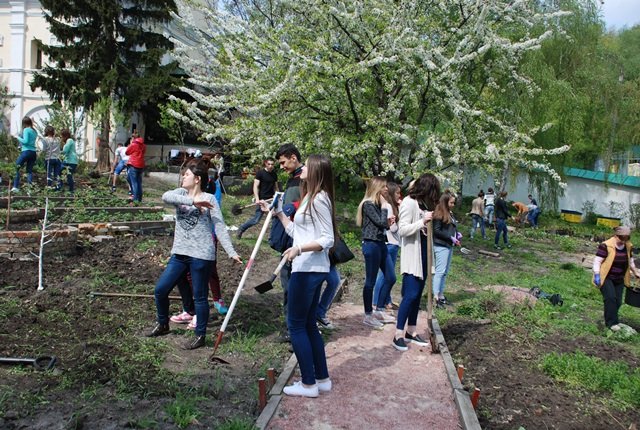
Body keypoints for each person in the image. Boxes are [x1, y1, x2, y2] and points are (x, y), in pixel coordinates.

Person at [147, 160, 242, 350]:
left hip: (201, 255)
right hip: (180, 253)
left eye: (187, 175)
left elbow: (220, 226)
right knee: (160, 290)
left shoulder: (210, 199)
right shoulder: (180, 194)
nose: (183, 177)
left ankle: (200, 335)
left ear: (197, 179)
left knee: (200, 297)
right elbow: (165, 196)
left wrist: (231, 252)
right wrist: (193, 201)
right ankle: (163, 323)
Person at [265, 154, 336, 398]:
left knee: (295, 325)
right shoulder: (310, 198)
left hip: (308, 270)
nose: (303, 167)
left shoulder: (319, 199)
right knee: (307, 324)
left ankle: (308, 384)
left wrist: (299, 250)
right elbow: (298, 232)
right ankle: (321, 378)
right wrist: (279, 215)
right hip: (308, 268)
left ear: (316, 170)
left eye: (307, 164)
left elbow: (328, 239)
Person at [392, 173, 441, 352]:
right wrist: (422, 221)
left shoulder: (421, 204)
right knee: (410, 295)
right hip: (413, 258)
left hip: (423, 257)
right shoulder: (408, 202)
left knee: (417, 295)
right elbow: (402, 230)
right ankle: (398, 334)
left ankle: (411, 331)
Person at [272, 144, 304, 342]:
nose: (282, 166)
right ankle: (292, 328)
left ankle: (296, 331)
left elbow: (300, 208)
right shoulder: (293, 181)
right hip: (290, 239)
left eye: (283, 162)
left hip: (298, 242)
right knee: (288, 287)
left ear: (293, 157)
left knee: (294, 288)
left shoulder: (304, 181)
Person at [356, 176, 394, 328]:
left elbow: (383, 225)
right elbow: (379, 222)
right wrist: (385, 207)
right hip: (371, 245)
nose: (386, 189)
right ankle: (368, 314)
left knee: (391, 277)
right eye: (384, 186)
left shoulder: (377, 205)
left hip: (381, 244)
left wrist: (388, 222)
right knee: (370, 282)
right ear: (377, 188)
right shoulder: (368, 204)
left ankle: (379, 309)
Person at [592, 226, 640, 331]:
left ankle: (609, 318)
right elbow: (597, 261)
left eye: (627, 238)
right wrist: (596, 274)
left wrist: (635, 272)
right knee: (610, 298)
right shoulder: (606, 245)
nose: (624, 240)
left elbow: (630, 260)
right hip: (606, 277)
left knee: (618, 301)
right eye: (622, 238)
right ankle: (611, 324)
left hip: (620, 278)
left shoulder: (628, 246)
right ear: (616, 235)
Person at [373, 182, 402, 313]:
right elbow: (393, 228)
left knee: (387, 275)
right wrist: (400, 217)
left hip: (393, 244)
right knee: (385, 276)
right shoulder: (389, 207)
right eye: (397, 192)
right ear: (391, 193)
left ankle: (386, 301)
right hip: (390, 244)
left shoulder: (392, 207)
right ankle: (376, 303)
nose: (399, 195)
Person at [237, 158, 279, 239]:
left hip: (271, 200)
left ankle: (272, 238)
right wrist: (257, 199)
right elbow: (255, 186)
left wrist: (277, 195)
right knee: (256, 220)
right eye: (269, 164)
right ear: (265, 164)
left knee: (275, 219)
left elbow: (276, 187)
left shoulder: (274, 174)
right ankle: (241, 229)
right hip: (262, 200)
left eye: (272, 164)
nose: (270, 166)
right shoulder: (260, 173)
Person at [432, 191, 460, 308]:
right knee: (440, 272)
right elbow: (437, 231)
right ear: (445, 202)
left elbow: (450, 228)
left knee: (445, 272)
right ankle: (435, 297)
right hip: (441, 245)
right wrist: (450, 237)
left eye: (454, 202)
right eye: (451, 202)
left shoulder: (450, 213)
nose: (453, 204)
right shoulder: (439, 214)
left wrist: (457, 234)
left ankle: (441, 295)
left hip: (448, 245)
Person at [11, 116, 38, 193]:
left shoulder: (26, 129)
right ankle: (29, 189)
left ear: (24, 123)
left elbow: (25, 141)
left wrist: (17, 137)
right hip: (33, 152)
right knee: (29, 171)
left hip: (26, 151)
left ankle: (15, 186)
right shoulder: (34, 131)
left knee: (17, 167)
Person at [41, 125, 62, 190]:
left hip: (49, 158)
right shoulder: (57, 139)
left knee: (49, 173)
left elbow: (44, 149)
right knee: (57, 173)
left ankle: (49, 185)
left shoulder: (45, 139)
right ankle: (57, 186)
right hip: (57, 158)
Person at [126, 136, 146, 202]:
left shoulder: (133, 145)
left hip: (133, 164)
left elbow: (127, 152)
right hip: (141, 165)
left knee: (134, 182)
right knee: (137, 181)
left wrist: (131, 144)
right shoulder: (143, 145)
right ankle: (139, 198)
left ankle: (135, 199)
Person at [60, 129, 78, 194]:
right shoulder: (69, 141)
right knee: (65, 173)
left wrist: (57, 152)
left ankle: (70, 190)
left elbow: (65, 151)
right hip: (69, 161)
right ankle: (65, 187)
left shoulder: (69, 140)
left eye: (61, 136)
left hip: (71, 161)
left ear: (65, 136)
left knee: (68, 175)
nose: (61, 138)